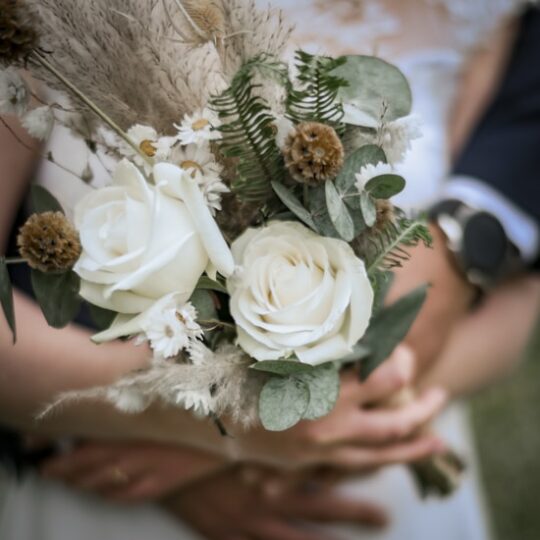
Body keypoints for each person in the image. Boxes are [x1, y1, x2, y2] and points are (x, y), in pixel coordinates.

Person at [1, 1, 540, 540]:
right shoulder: (46, 16)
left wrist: (332, 428)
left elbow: (504, 315)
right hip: (115, 493)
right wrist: (213, 426)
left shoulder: (478, 13)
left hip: (373, 484)